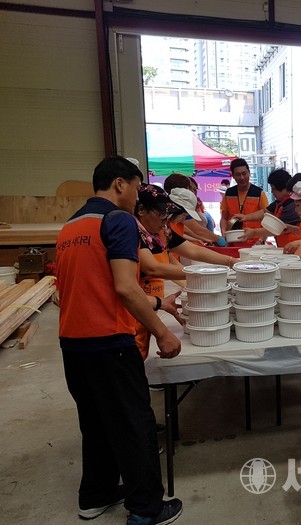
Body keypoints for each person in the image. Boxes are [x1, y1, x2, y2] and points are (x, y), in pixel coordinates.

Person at [56, 156, 183, 524]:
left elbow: (81, 289)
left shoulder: (70, 226)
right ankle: (146, 509)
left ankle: (95, 495)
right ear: (119, 184)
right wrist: (162, 332)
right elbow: (126, 287)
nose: (136, 197)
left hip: (73, 343)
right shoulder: (118, 220)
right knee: (133, 424)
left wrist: (157, 305)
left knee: (96, 423)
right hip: (110, 341)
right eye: (136, 188)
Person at [134, 184, 237, 359]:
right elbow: (152, 268)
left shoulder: (162, 230)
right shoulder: (132, 233)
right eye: (161, 215)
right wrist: (202, 273)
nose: (165, 221)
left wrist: (231, 261)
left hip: (153, 301)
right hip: (136, 305)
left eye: (166, 215)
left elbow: (193, 250)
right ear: (141, 210)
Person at [232, 168, 301, 248]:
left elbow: (278, 229)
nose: (272, 192)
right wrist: (246, 217)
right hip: (285, 247)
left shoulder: (292, 206)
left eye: (273, 188)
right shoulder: (279, 202)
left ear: (282, 188)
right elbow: (265, 212)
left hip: (295, 247)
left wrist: (254, 232)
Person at [164, 174, 226, 247]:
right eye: (190, 188)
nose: (193, 191)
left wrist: (199, 239)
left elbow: (182, 231)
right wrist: (218, 239)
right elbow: (198, 230)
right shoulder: (165, 223)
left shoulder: (171, 221)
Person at [220, 158, 269, 242]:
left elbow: (267, 219)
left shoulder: (259, 193)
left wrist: (261, 240)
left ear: (249, 173)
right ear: (233, 176)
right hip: (233, 241)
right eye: (238, 174)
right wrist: (224, 232)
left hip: (254, 242)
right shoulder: (229, 193)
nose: (242, 177)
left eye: (244, 173)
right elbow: (224, 218)